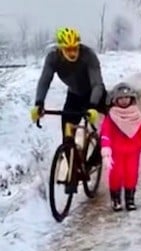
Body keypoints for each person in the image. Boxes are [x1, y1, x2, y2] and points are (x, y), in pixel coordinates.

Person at [31, 27, 108, 165]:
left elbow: (97, 84)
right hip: (75, 95)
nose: (72, 52)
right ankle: (74, 168)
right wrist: (39, 103)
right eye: (68, 49)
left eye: (75, 48)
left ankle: (96, 159)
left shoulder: (88, 55)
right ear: (60, 48)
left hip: (94, 94)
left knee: (114, 120)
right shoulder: (53, 58)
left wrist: (93, 106)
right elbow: (44, 80)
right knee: (67, 136)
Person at [100, 83, 141, 211]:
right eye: (121, 98)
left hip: (133, 152)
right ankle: (116, 199)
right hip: (116, 152)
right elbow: (106, 134)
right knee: (116, 175)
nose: (124, 101)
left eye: (127, 98)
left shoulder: (137, 116)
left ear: (132, 99)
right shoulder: (111, 117)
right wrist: (106, 151)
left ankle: (130, 199)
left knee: (131, 174)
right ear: (115, 100)